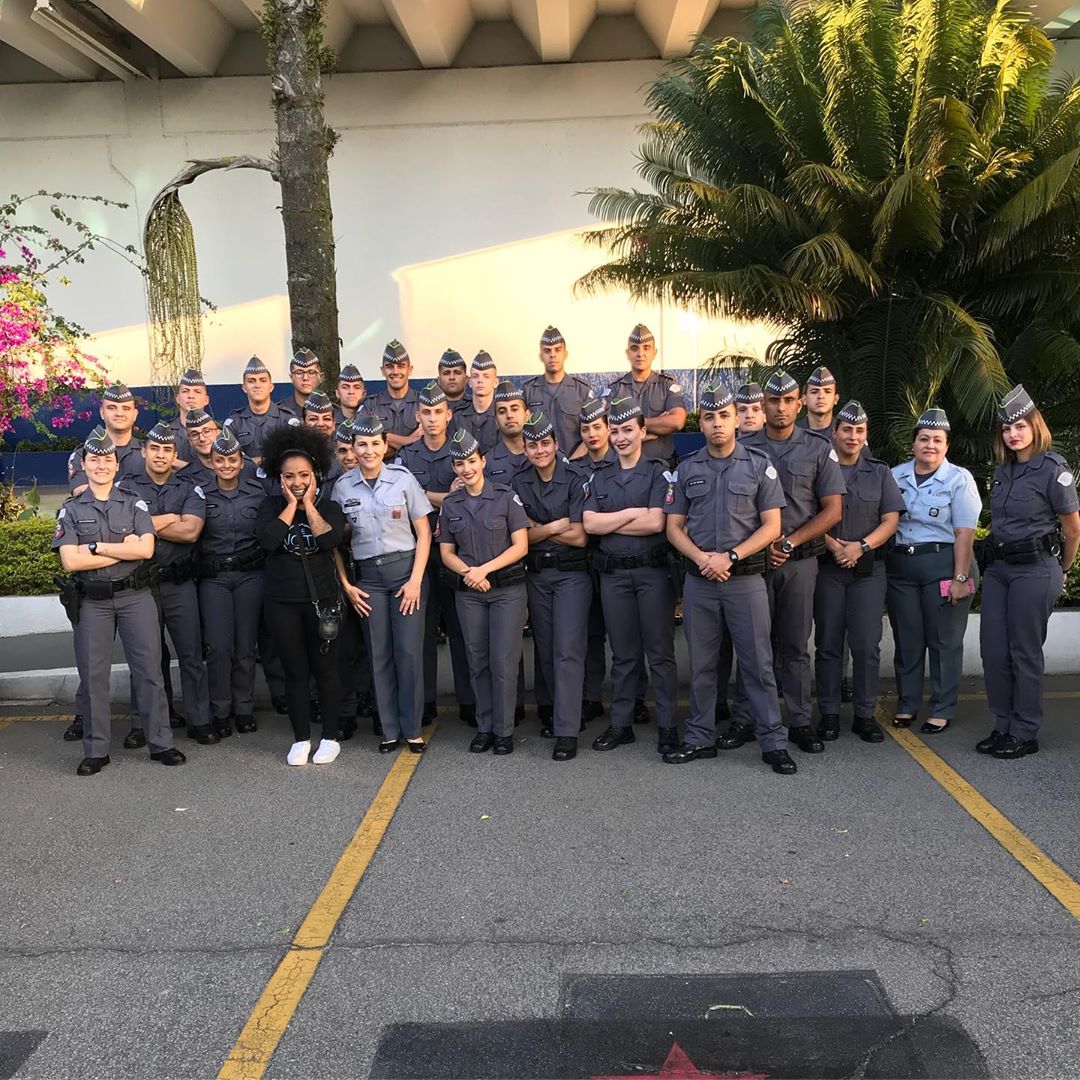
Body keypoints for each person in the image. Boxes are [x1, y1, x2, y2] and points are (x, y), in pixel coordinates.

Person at [662, 384, 796, 774]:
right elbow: (674, 528)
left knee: (758, 664)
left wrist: (732, 556)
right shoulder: (687, 469)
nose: (717, 423)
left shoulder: (758, 465)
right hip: (701, 581)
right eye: (709, 417)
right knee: (702, 664)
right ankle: (699, 737)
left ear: (737, 419)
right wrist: (704, 559)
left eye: (724, 416)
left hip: (744, 580)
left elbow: (772, 526)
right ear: (700, 424)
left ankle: (773, 742)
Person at [52, 426, 185, 775]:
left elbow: (146, 549)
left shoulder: (134, 502)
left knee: (150, 672)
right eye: (94, 460)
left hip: (135, 597)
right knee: (94, 676)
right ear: (84, 464)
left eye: (106, 459)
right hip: (92, 602)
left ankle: (161, 743)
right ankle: (96, 751)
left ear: (116, 465)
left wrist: (96, 547)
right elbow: (71, 561)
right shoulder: (70, 510)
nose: (100, 465)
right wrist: (124, 550)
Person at [733, 369, 845, 753]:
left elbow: (832, 510)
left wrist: (791, 541)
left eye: (787, 401)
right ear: (762, 405)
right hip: (751, 563)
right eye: (773, 401)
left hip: (799, 562)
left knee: (795, 645)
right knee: (751, 645)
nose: (780, 408)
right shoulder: (743, 447)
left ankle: (798, 721)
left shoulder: (817, 448)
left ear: (799, 405)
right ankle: (746, 719)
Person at [978, 386, 1080, 759]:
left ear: (1035, 427)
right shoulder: (1004, 471)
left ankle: (1024, 731)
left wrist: (1063, 569)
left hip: (1036, 569)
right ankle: (1002, 724)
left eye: (1020, 426)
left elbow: (1072, 529)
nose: (1012, 434)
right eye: (1007, 429)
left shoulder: (1052, 469)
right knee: (993, 651)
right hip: (1000, 570)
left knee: (1024, 651)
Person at [583, 397, 678, 753]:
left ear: (642, 431)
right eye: (615, 431)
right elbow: (590, 524)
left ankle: (668, 724)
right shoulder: (600, 476)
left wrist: (614, 520)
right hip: (614, 578)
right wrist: (634, 511)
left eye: (627, 430)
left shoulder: (657, 472)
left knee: (659, 652)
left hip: (652, 573)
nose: (620, 438)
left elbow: (657, 522)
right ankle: (621, 724)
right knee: (622, 654)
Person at [334, 411, 433, 753]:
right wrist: (347, 584)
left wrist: (417, 580)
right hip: (369, 580)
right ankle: (389, 729)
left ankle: (412, 728)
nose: (368, 450)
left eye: (375, 443)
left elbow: (424, 534)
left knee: (407, 653)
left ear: (385, 445)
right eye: (362, 444)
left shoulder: (404, 480)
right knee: (379, 655)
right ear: (353, 447)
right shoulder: (343, 487)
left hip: (406, 574)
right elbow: (335, 543)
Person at [120, 422, 217, 746]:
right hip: (141, 586)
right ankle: (142, 723)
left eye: (167, 450)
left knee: (191, 654)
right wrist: (170, 518)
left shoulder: (189, 488)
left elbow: (191, 531)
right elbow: (121, 531)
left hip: (179, 584)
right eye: (155, 449)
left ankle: (199, 719)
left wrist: (143, 525)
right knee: (146, 658)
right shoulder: (127, 489)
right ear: (144, 451)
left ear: (175, 455)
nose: (160, 455)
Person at [813, 401, 904, 742]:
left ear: (866, 435)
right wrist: (834, 545)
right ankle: (830, 713)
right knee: (828, 644)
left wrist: (860, 546)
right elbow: (806, 514)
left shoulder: (880, 471)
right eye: (846, 430)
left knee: (867, 645)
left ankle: (865, 714)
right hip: (828, 569)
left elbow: (891, 519)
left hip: (868, 570)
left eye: (859, 431)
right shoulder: (819, 469)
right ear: (834, 432)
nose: (852, 436)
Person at [257, 425, 348, 766]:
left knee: (326, 670)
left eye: (304, 475)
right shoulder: (268, 507)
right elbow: (267, 540)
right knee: (294, 672)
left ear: (316, 476)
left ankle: (330, 736)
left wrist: (308, 505)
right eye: (289, 476)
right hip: (281, 602)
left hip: (321, 601)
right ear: (279, 478)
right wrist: (288, 505)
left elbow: (328, 541)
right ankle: (300, 738)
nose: (297, 482)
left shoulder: (330, 507)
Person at [887, 408, 981, 733]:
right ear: (913, 443)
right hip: (902, 568)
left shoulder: (959, 480)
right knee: (908, 639)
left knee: (944, 641)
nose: (930, 445)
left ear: (946, 446)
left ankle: (942, 707)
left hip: (945, 565)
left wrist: (960, 578)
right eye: (924, 439)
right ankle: (907, 703)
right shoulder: (895, 476)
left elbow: (964, 534)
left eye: (937, 440)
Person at [437, 427, 530, 755]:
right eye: (460, 464)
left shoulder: (506, 497)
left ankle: (504, 731)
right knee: (477, 661)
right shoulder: (450, 505)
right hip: (470, 593)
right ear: (454, 468)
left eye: (472, 461)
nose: (467, 469)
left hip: (507, 591)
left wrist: (484, 570)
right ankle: (485, 726)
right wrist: (470, 574)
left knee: (503, 661)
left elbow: (521, 545)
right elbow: (446, 552)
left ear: (483, 461)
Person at [513, 410, 591, 761]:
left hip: (572, 574)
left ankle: (567, 730)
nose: (540, 451)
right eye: (533, 445)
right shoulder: (518, 481)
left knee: (567, 649)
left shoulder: (575, 478)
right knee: (544, 647)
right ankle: (553, 712)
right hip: (537, 575)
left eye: (545, 443)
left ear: (556, 445)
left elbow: (579, 537)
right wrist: (556, 525)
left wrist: (538, 528)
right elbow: (519, 537)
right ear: (525, 449)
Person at [397, 382, 476, 726]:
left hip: (458, 550)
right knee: (423, 631)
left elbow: (470, 493)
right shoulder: (406, 458)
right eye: (425, 412)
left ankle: (470, 702)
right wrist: (444, 495)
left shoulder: (461, 452)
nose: (431, 419)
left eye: (437, 413)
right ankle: (425, 701)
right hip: (419, 553)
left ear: (449, 415)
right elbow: (405, 498)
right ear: (418, 415)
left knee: (462, 630)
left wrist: (422, 494)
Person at [196, 426, 270, 738]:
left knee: (245, 646)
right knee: (218, 647)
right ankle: (220, 709)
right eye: (220, 460)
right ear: (211, 462)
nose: (226, 465)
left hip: (249, 576)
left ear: (242, 463)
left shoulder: (257, 492)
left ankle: (243, 708)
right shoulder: (199, 494)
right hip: (214, 579)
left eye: (232, 460)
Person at [604, 323, 687, 465]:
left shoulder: (667, 386)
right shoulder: (615, 390)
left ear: (654, 352)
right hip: (625, 468)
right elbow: (606, 432)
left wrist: (633, 426)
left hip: (662, 466)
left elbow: (677, 421)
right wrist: (654, 430)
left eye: (646, 348)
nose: (640, 354)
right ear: (627, 353)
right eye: (634, 348)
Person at [522, 326, 592, 459]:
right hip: (540, 467)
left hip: (576, 466)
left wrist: (571, 462)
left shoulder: (582, 391)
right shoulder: (528, 391)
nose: (552, 355)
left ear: (565, 354)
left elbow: (593, 432)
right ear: (541, 356)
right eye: (547, 351)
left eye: (557, 350)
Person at [68, 383, 144, 493]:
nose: (119, 413)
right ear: (102, 413)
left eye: (126, 408)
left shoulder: (148, 453)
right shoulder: (84, 454)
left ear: (135, 414)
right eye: (112, 408)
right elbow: (81, 493)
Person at [225, 355, 294, 463]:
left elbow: (294, 456)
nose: (257, 385)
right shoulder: (234, 423)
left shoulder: (287, 419)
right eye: (251, 381)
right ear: (244, 388)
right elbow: (228, 458)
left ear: (271, 387)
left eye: (262, 380)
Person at [371, 340, 421, 454]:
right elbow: (367, 442)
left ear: (410, 370)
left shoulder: (423, 403)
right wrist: (410, 440)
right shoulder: (370, 405)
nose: (395, 371)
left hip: (415, 470)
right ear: (382, 371)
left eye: (401, 366)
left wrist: (383, 437)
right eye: (389, 367)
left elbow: (425, 441)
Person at [453, 350, 499, 452]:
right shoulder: (458, 415)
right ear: (469, 382)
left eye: (486, 376)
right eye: (475, 376)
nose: (480, 380)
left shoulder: (501, 414)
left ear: (495, 382)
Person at [486, 380, 532, 483]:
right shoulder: (487, 462)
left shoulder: (543, 454)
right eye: (502, 412)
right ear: (496, 420)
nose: (509, 415)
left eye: (514, 409)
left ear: (527, 415)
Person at [168, 369, 210, 461]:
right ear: (178, 399)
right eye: (185, 391)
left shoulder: (216, 433)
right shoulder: (166, 432)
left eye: (197, 391)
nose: (191, 396)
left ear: (206, 400)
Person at [276, 347, 323, 421]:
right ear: (291, 377)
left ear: (321, 377)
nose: (305, 378)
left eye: (311, 372)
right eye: (299, 373)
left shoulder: (332, 412)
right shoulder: (278, 412)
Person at [797, 366, 839, 434]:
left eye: (827, 392)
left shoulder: (844, 433)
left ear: (836, 399)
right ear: (804, 399)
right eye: (814, 392)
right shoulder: (791, 433)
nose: (821, 396)